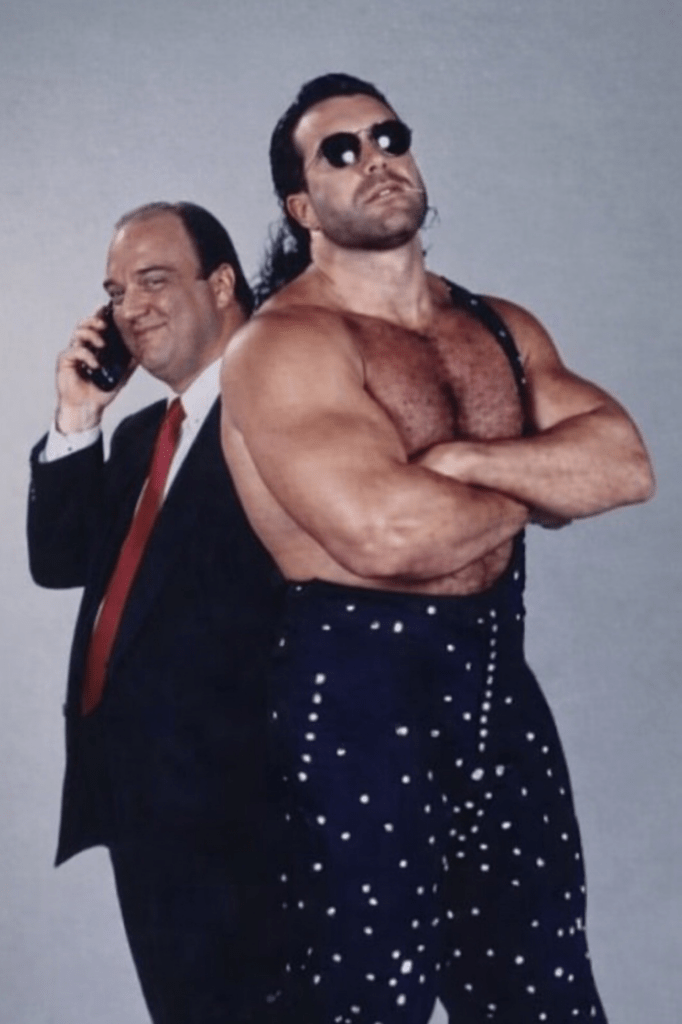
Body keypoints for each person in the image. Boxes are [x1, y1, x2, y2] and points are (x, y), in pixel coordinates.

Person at [220, 74, 655, 1024]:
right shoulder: (283, 344)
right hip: (353, 706)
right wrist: (542, 482)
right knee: (368, 1001)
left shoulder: (497, 325)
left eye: (389, 136)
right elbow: (385, 532)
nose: (376, 160)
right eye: (341, 151)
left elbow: (625, 466)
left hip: (500, 693)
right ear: (302, 208)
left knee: (546, 991)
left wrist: (462, 461)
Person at [27, 201, 287, 1024]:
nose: (129, 308)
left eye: (153, 280)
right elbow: (59, 562)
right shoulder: (145, 434)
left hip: (244, 808)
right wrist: (78, 418)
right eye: (115, 291)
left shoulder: (282, 407)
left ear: (222, 284)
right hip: (139, 801)